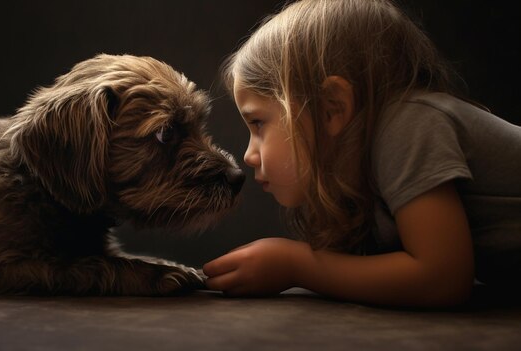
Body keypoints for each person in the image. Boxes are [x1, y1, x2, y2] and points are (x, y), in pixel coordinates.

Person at [202, 0, 521, 307]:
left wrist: (298, 265)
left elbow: (443, 278)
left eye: (258, 123)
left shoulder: (410, 125)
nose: (248, 155)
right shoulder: (366, 177)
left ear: (332, 108)